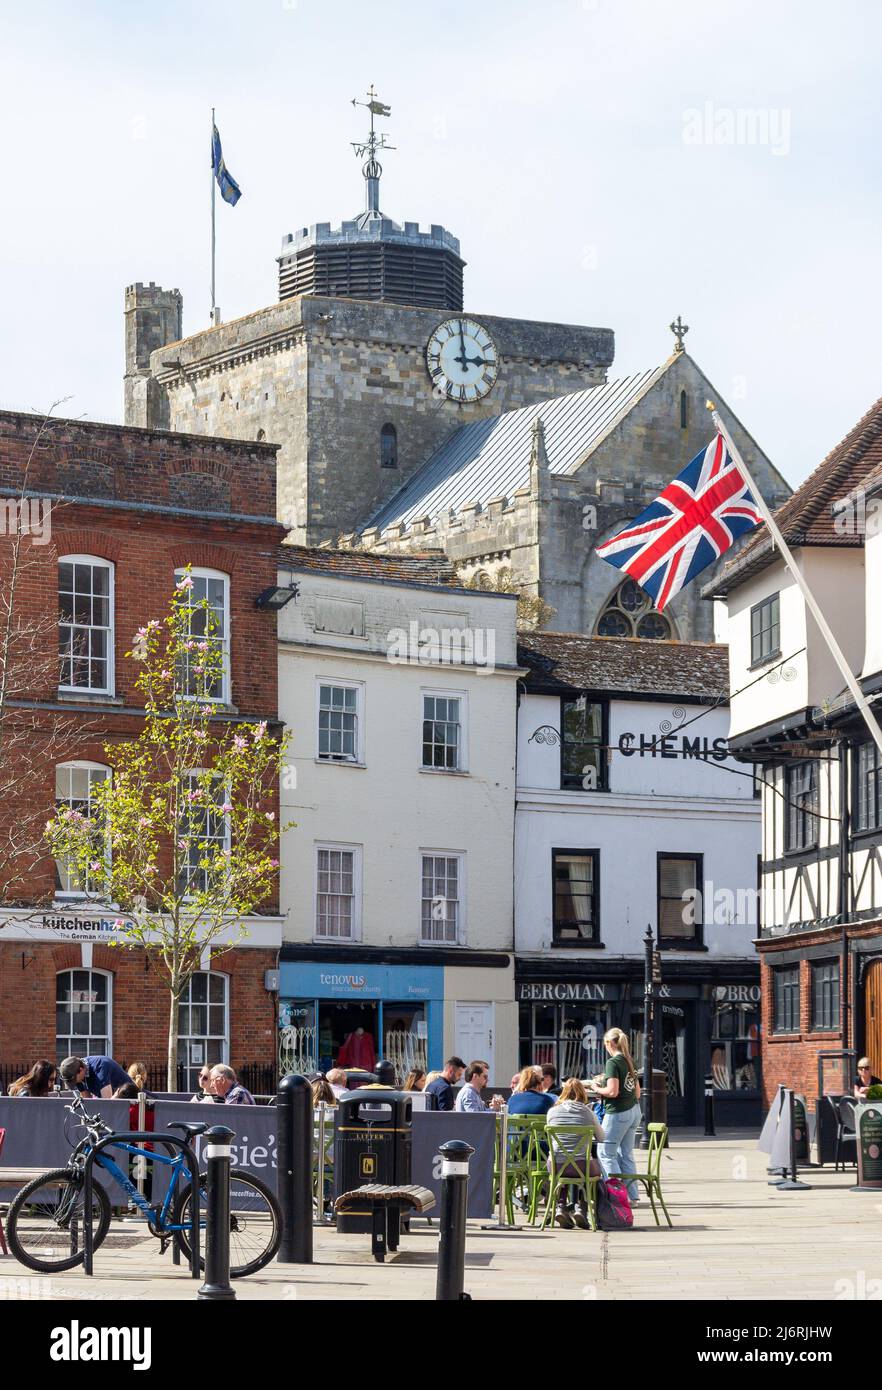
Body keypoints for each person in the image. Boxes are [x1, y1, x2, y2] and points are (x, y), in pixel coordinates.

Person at [591, 1027, 641, 1205]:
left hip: (618, 1112)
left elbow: (612, 1091)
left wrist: (596, 1088)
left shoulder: (613, 1062)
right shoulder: (630, 1061)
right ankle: (632, 1197)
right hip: (634, 1111)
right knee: (626, 1154)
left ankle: (616, 1196)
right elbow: (637, 1093)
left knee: (605, 1153)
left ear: (608, 1043)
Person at [546, 1078, 605, 1229]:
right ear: (582, 1093)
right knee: (596, 1170)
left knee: (565, 1164)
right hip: (581, 1165)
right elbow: (602, 1138)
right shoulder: (588, 1112)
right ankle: (582, 1209)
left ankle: (560, 1206)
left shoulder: (552, 1111)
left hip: (556, 1165)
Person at [60, 1054, 130, 1099]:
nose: (75, 1083)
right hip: (116, 1102)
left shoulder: (100, 1068)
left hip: (130, 1101)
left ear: (81, 1070)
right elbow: (87, 1101)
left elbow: (108, 1103)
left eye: (74, 1080)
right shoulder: (78, 1074)